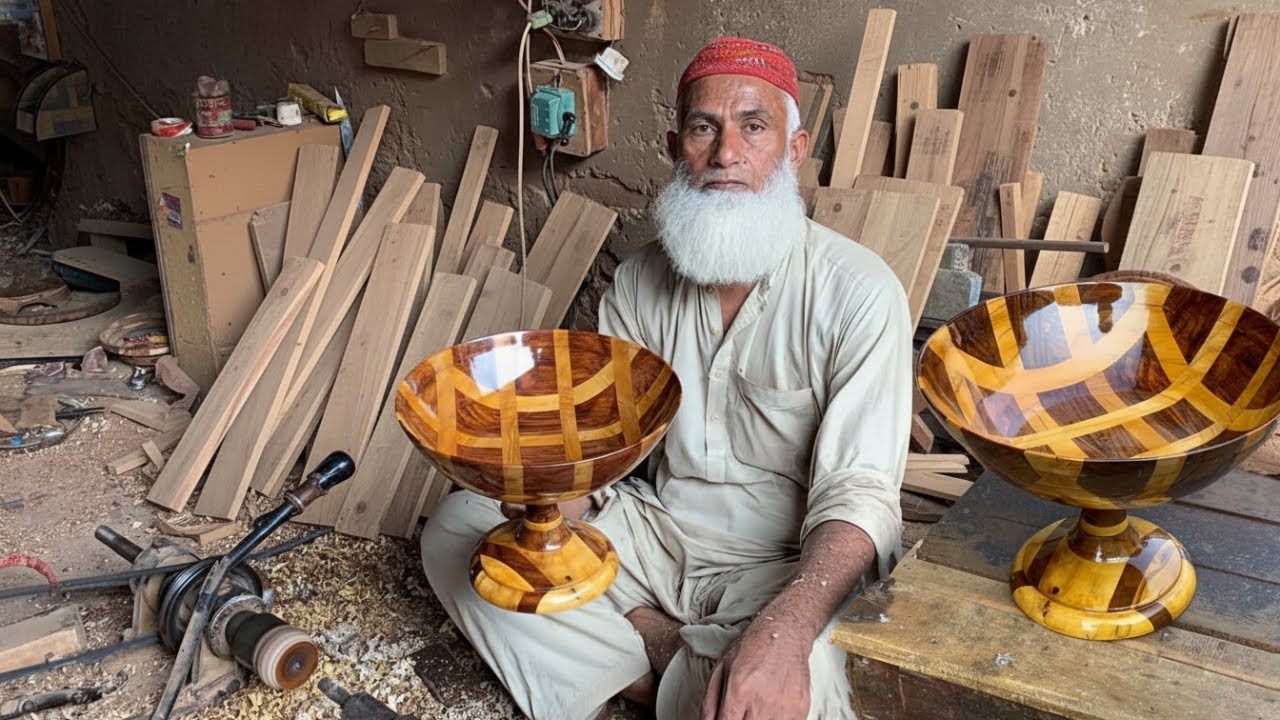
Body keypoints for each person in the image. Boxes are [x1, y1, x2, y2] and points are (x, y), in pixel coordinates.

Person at [422, 37, 912, 720]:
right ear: (674, 144)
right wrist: (553, 498)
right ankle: (674, 674)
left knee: (811, 679)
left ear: (795, 151)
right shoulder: (637, 285)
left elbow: (859, 496)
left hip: (783, 563)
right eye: (703, 127)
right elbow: (610, 457)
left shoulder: (860, 294)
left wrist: (784, 630)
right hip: (657, 536)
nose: (726, 154)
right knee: (459, 531)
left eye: (754, 126)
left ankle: (644, 664)